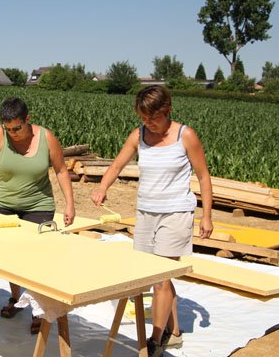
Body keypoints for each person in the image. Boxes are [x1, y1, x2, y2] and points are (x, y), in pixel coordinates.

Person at [90, 85, 213, 357]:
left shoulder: (185, 136)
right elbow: (117, 165)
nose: (148, 123)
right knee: (154, 274)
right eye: (143, 118)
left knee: (160, 278)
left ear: (167, 110)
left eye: (153, 118)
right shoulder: (139, 135)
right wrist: (103, 187)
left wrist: (207, 216)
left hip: (176, 213)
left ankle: (155, 341)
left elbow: (203, 176)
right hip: (146, 212)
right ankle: (175, 331)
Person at [0, 97, 75, 334]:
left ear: (28, 120)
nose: (12, 133)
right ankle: (16, 298)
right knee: (12, 257)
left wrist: (70, 204)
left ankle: (38, 309)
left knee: (36, 259)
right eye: (8, 129)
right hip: (5, 205)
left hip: (39, 205)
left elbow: (61, 170)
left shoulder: (46, 138)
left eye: (17, 128)